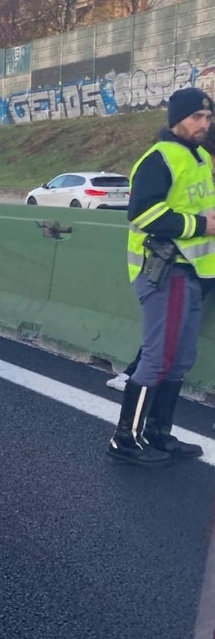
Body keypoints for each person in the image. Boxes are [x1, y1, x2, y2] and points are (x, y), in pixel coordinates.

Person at [110, 87, 215, 465]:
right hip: (164, 269)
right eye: (196, 118)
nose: (204, 124)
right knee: (158, 357)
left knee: (181, 357)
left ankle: (158, 433)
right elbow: (141, 213)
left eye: (207, 117)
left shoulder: (200, 156)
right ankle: (125, 438)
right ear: (177, 120)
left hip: (193, 272)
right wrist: (201, 224)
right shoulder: (159, 158)